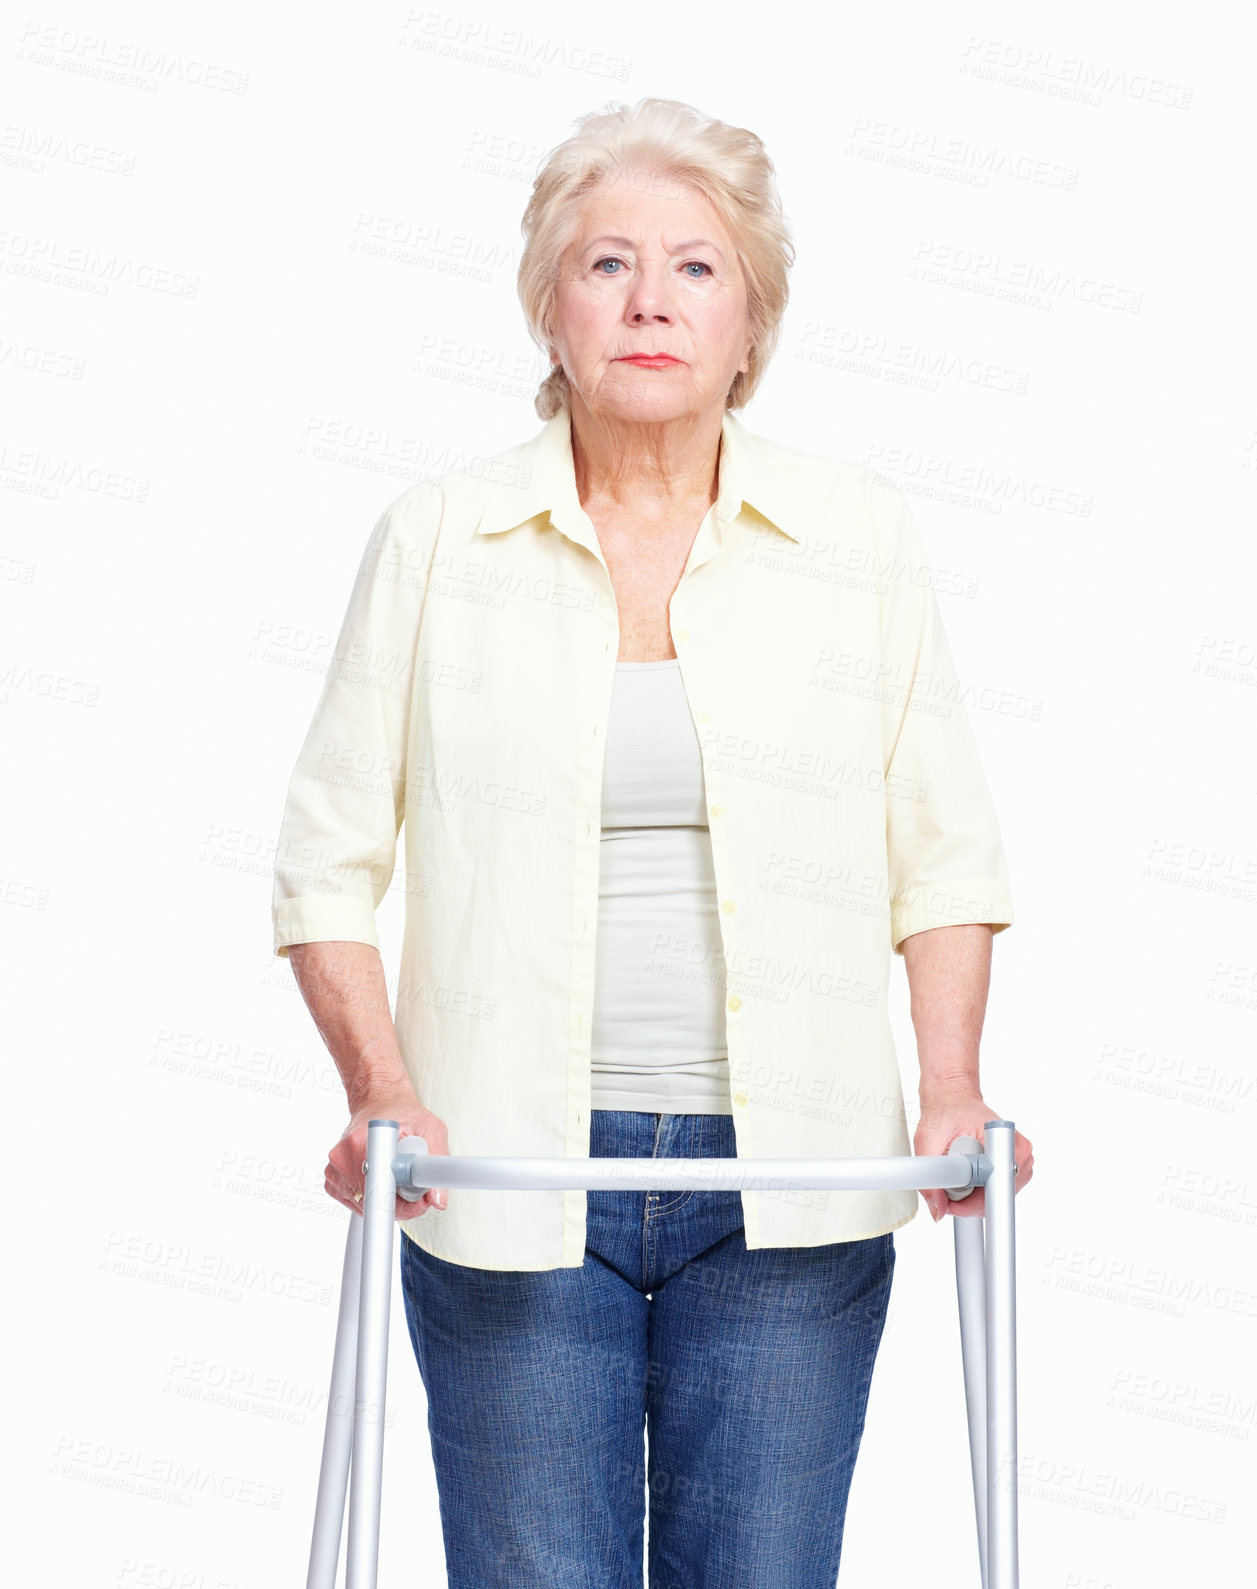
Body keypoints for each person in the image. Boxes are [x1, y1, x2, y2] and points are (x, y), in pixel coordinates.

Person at [272, 96, 1034, 1589]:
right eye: (605, 263)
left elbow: (940, 847)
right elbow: (325, 859)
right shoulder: (439, 538)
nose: (647, 301)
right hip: (501, 1177)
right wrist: (386, 1089)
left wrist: (950, 1085)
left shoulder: (854, 540)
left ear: (750, 319)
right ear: (548, 309)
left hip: (796, 1182)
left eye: (694, 268)